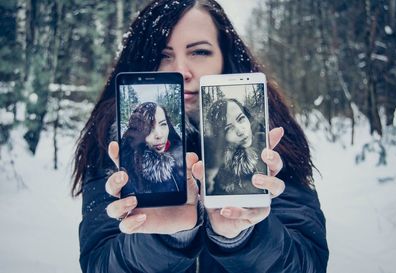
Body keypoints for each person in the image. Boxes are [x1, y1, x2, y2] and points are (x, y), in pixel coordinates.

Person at [72, 0, 329, 272]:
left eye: (199, 52)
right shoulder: (115, 144)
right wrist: (165, 240)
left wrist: (243, 238)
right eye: (163, 54)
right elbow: (99, 265)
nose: (182, 71)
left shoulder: (270, 143)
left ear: (225, 57)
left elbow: (308, 264)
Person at [120, 102, 184, 194]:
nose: (159, 135)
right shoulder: (128, 169)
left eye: (163, 124)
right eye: (149, 127)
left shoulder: (183, 157)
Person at [205, 98, 266, 195]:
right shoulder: (222, 177)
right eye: (228, 128)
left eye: (241, 119)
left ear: (247, 117)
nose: (240, 131)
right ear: (221, 137)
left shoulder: (270, 146)